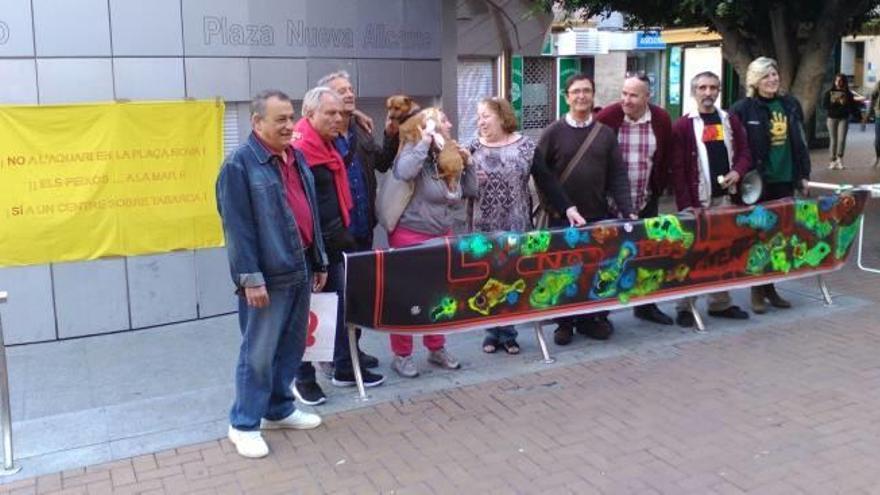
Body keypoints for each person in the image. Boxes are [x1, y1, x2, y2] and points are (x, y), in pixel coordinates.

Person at [216, 90, 328, 459]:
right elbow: (238, 228)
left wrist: (320, 260)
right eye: (279, 118)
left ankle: (278, 409)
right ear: (257, 123)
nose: (288, 125)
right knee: (259, 353)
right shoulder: (239, 165)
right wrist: (251, 279)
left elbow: (309, 210)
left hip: (301, 269)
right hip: (267, 277)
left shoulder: (295, 158)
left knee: (292, 348)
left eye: (290, 116)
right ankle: (244, 423)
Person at [291, 87, 385, 407]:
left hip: (333, 244)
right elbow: (305, 209)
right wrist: (321, 250)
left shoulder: (329, 147)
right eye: (329, 113)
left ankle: (343, 368)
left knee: (338, 308)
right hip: (311, 249)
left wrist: (354, 115)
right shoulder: (300, 151)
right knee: (308, 315)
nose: (337, 118)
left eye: (339, 112)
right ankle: (303, 378)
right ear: (309, 115)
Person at [469, 96, 582, 354]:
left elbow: (547, 180)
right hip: (482, 227)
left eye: (485, 116)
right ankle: (491, 332)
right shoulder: (472, 147)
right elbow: (459, 186)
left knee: (509, 279)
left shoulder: (526, 147)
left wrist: (569, 207)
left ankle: (508, 333)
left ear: (501, 116)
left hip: (515, 225)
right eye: (479, 117)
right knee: (487, 280)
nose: (480, 121)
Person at [533, 73, 631, 345]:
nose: (581, 96)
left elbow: (618, 176)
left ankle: (590, 320)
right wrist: (556, 207)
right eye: (576, 91)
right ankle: (564, 324)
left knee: (593, 269)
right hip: (561, 218)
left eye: (586, 91)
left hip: (596, 216)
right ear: (566, 97)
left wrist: (628, 209)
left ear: (593, 95)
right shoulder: (553, 132)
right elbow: (540, 175)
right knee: (562, 272)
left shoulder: (605, 135)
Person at [388, 108, 478, 377]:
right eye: (443, 119)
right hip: (411, 234)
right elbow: (403, 172)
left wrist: (469, 164)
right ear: (426, 126)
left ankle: (436, 347)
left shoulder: (448, 153)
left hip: (443, 235)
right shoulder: (414, 152)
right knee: (408, 297)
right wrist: (424, 141)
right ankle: (401, 354)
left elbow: (471, 191)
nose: (450, 123)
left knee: (440, 296)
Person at [315, 70, 385, 378]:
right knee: (335, 299)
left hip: (362, 228)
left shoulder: (360, 129)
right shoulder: (321, 137)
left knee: (357, 297)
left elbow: (383, 162)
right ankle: (335, 359)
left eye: (350, 89)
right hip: (336, 235)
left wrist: (394, 132)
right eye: (340, 91)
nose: (349, 94)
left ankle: (352, 351)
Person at [670, 71, 752, 326]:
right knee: (691, 254)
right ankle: (685, 307)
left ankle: (720, 303)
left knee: (724, 251)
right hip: (696, 203)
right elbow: (678, 169)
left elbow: (745, 152)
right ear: (694, 92)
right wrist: (687, 206)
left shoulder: (729, 120)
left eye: (713, 88)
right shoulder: (683, 125)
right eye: (703, 88)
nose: (708, 93)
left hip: (725, 200)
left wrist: (737, 172)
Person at [731, 56, 811, 314]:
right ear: (755, 80)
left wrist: (803, 174)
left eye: (774, 74)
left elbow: (799, 141)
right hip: (758, 184)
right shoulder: (743, 109)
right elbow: (736, 147)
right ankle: (757, 289)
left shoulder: (789, 104)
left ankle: (770, 287)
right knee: (758, 236)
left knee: (778, 236)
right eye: (766, 76)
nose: (772, 80)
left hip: (785, 180)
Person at [596, 73, 675, 327]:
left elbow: (664, 160)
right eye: (624, 93)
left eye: (633, 95)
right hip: (610, 205)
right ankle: (601, 314)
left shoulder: (661, 119)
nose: (626, 100)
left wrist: (658, 190)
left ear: (647, 97)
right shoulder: (608, 117)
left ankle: (646, 306)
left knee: (646, 256)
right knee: (609, 259)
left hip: (644, 201)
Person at [822, 74, 858, 170]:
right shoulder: (829, 93)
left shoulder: (848, 94)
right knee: (833, 140)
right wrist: (834, 102)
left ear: (844, 82)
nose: (838, 82)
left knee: (841, 140)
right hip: (832, 118)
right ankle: (832, 160)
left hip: (844, 118)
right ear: (834, 81)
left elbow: (853, 107)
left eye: (840, 80)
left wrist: (859, 117)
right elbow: (825, 105)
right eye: (837, 80)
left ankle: (840, 159)